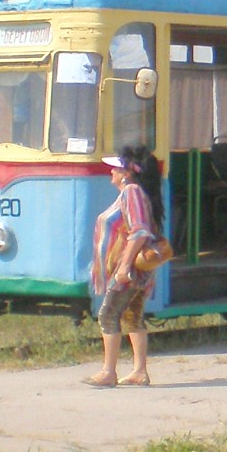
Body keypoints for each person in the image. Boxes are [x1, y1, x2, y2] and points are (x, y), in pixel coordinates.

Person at [86, 144, 165, 387]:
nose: (111, 172)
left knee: (108, 314)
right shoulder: (134, 192)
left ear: (127, 173)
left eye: (115, 169)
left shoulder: (131, 192)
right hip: (136, 270)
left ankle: (109, 372)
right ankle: (139, 371)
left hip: (129, 270)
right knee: (132, 316)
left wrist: (123, 267)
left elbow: (139, 230)